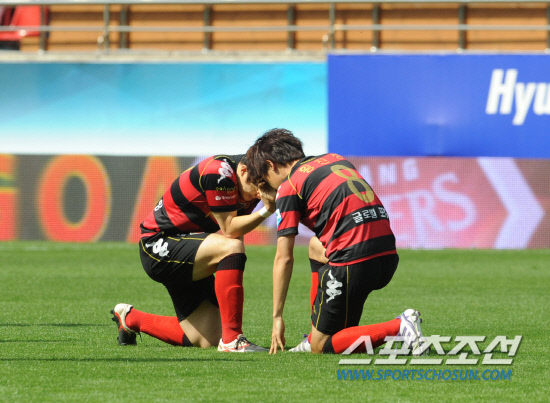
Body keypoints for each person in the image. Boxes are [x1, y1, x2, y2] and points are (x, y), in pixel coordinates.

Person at [245, 129, 425, 355]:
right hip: (387, 256)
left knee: (322, 347)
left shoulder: (289, 186)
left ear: (270, 165)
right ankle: (314, 334)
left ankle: (399, 327)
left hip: (355, 264)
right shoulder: (335, 159)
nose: (268, 186)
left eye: (264, 179)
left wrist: (277, 317)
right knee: (315, 246)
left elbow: (284, 258)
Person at [111, 154, 275, 352]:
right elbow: (230, 231)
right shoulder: (220, 172)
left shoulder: (249, 186)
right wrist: (267, 210)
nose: (259, 193)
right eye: (259, 185)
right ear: (244, 170)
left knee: (207, 338)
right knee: (231, 248)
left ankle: (131, 318)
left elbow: (234, 237)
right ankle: (232, 341)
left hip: (190, 249)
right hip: (158, 244)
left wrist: (232, 280)